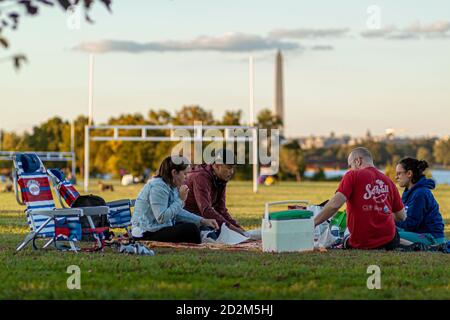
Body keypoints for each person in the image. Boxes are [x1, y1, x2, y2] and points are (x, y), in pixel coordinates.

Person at [314, 147, 406, 250]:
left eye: (350, 165)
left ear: (358, 161)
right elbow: (401, 216)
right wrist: (378, 211)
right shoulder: (388, 181)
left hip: (362, 242)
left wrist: (313, 223)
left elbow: (334, 205)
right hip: (389, 241)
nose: (349, 169)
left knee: (343, 239)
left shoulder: (352, 175)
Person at [131, 155, 219, 243]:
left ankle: (205, 235)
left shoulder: (171, 186)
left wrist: (202, 220)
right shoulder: (158, 187)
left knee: (198, 225)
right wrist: (180, 200)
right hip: (146, 231)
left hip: (159, 227)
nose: (186, 177)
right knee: (191, 229)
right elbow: (161, 217)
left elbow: (177, 213)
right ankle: (204, 238)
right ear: (174, 172)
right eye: (184, 173)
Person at [184, 149, 247, 236]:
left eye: (233, 168)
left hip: (201, 218)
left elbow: (221, 209)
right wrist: (232, 228)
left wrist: (239, 229)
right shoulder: (200, 177)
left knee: (229, 233)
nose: (232, 172)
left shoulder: (220, 177)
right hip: (186, 217)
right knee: (214, 235)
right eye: (229, 168)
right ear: (217, 166)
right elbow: (206, 210)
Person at [395, 158, 446, 247]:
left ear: (409, 173)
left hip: (431, 237)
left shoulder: (420, 193)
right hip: (418, 233)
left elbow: (411, 224)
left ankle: (432, 247)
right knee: (387, 231)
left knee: (389, 236)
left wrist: (391, 219)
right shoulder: (409, 192)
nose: (396, 177)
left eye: (399, 173)